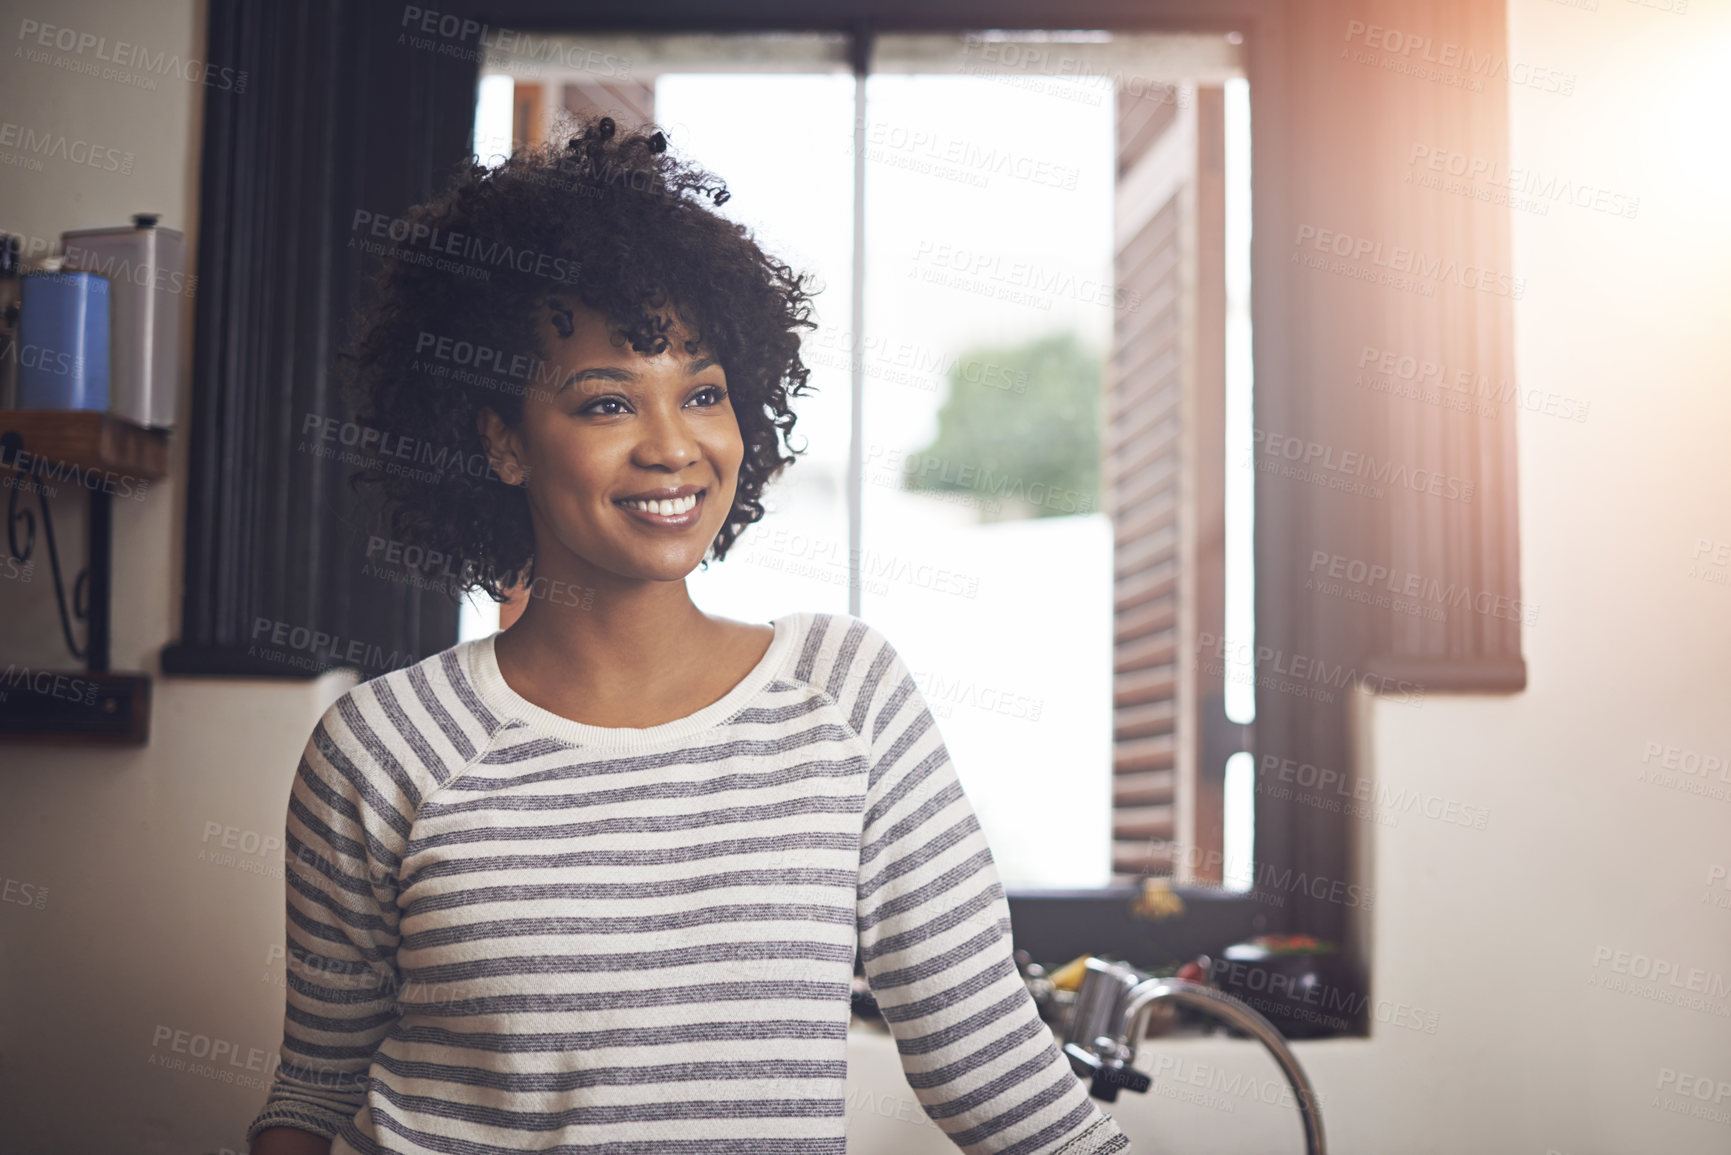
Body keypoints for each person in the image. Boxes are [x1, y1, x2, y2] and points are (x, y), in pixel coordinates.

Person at [246, 115, 1131, 1155]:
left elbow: (1000, 1077)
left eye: (703, 393)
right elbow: (311, 1095)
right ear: (501, 442)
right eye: (608, 401)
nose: (673, 447)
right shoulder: (381, 748)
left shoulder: (847, 699)